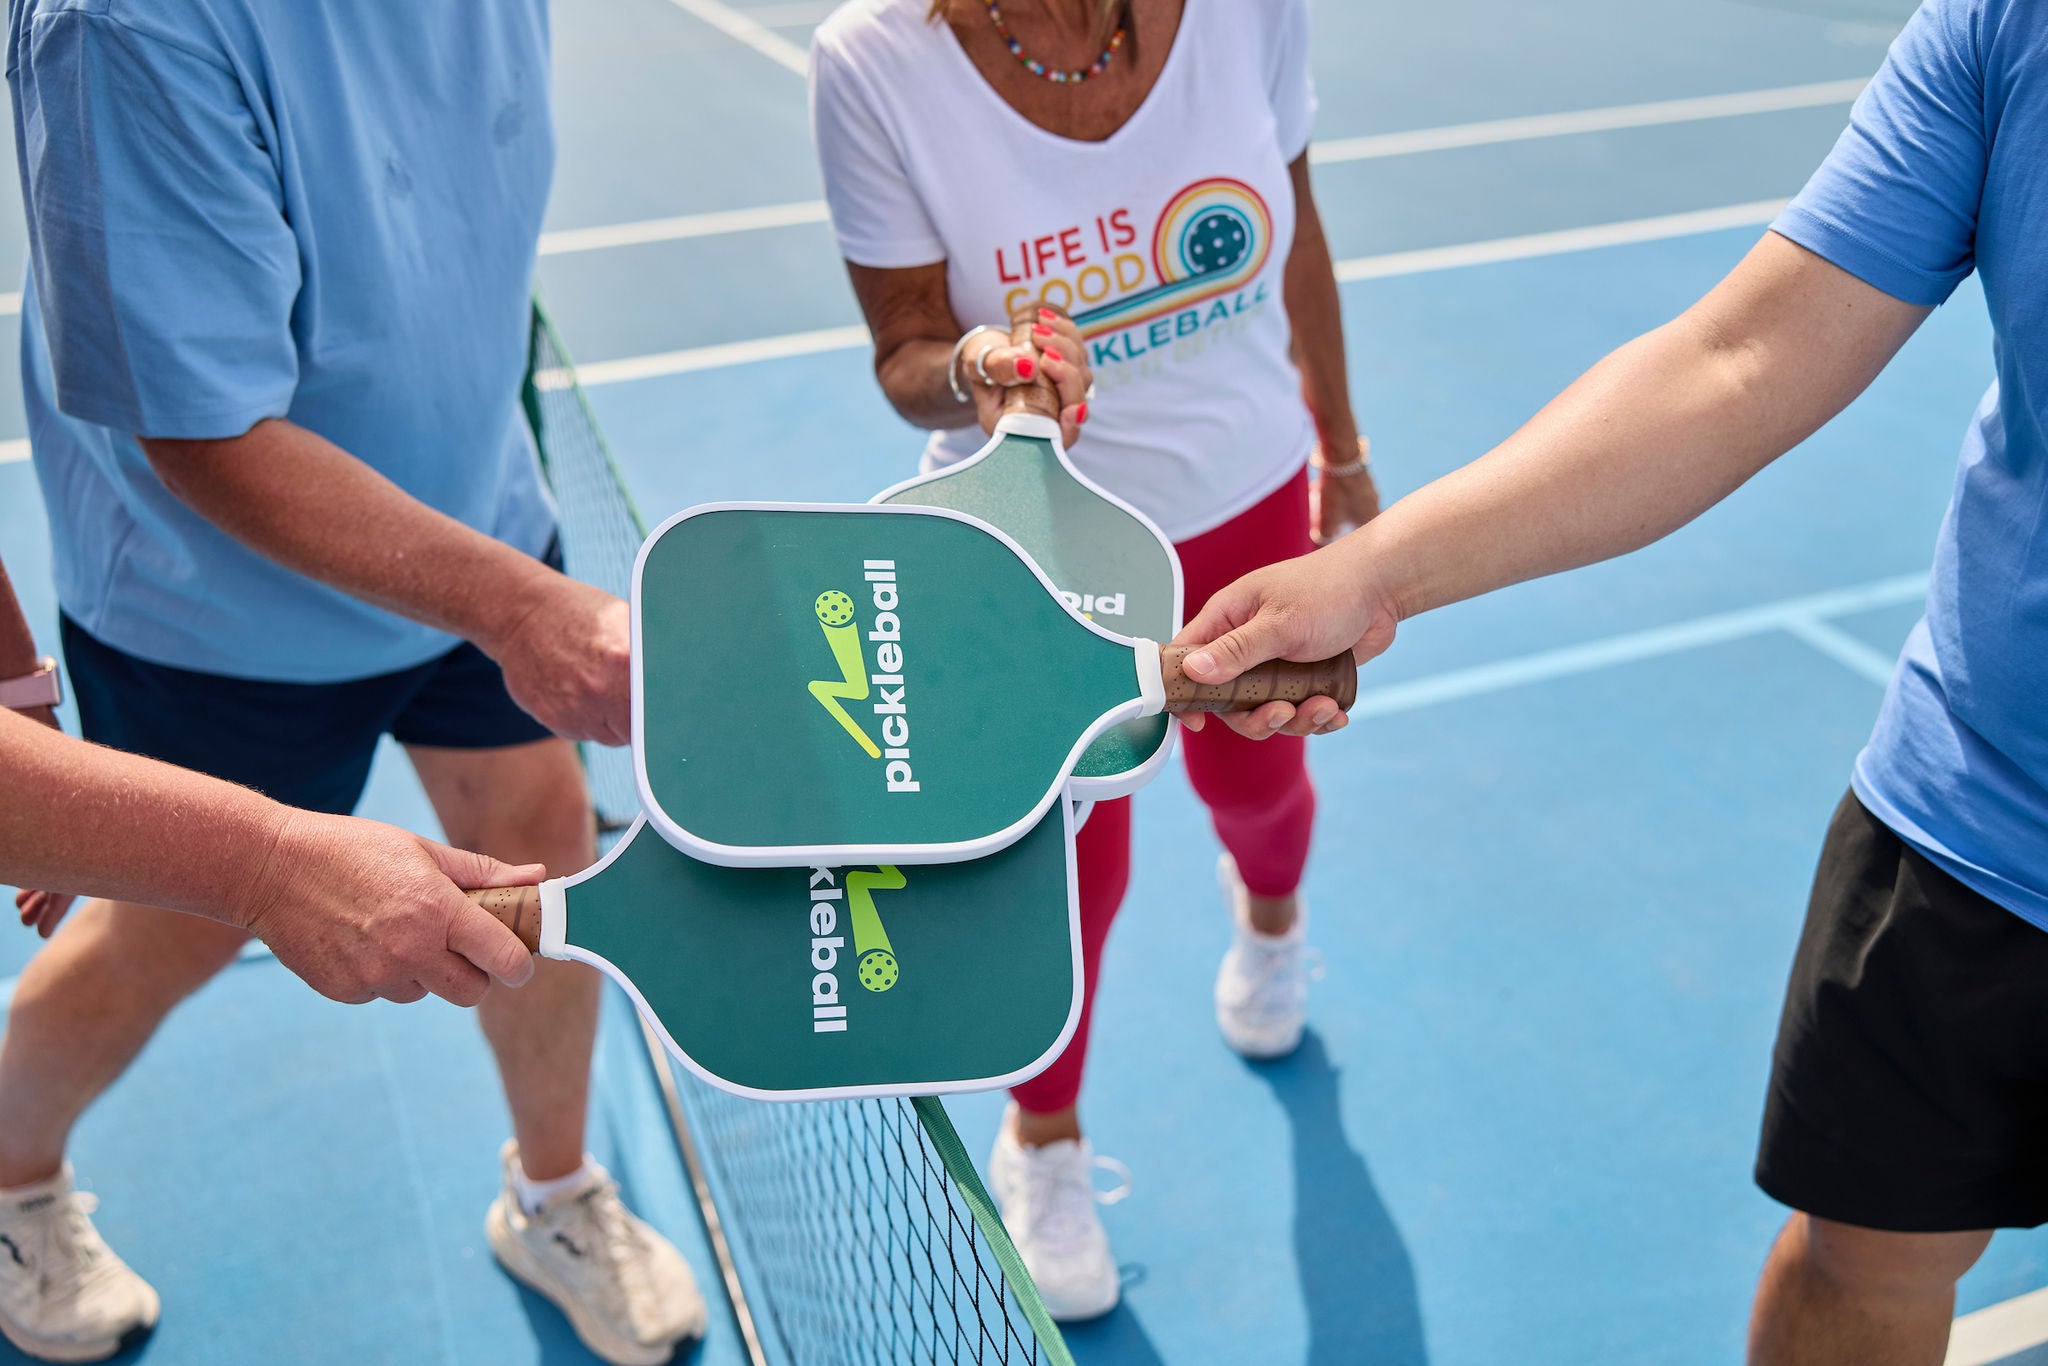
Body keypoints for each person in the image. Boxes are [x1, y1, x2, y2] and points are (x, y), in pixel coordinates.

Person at [1173, 2, 2048, 1361]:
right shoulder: (2007, 29)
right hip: (1973, 809)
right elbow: (1738, 360)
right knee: (1860, 1255)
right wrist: (1379, 568)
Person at [0, 4, 701, 1363]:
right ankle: (11, 1177)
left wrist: (502, 582)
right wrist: (517, 603)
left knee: (550, 855)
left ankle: (554, 1190)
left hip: (474, 526)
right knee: (179, 926)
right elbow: (202, 429)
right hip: (213, 618)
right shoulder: (124, 25)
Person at [810, 0, 1378, 1319]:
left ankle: (1272, 918)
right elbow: (903, 348)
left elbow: (1295, 239)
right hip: (1032, 537)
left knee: (1259, 793)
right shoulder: (874, 59)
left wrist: (1340, 455)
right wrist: (981, 364)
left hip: (1242, 502)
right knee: (1064, 866)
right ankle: (1047, 1139)